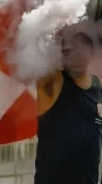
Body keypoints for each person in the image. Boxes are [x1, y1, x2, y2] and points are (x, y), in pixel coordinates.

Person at [34, 31, 102, 184]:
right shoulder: (53, 81)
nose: (77, 54)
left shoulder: (97, 87)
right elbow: (40, 54)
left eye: (81, 48)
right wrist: (52, 34)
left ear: (91, 51)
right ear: (62, 55)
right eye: (70, 50)